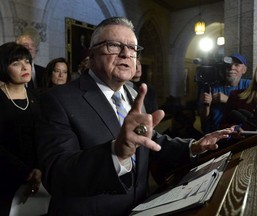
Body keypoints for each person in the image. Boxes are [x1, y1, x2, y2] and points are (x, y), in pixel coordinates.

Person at [35, 17, 234, 216]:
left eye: (132, 48)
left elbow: (149, 141)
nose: (125, 54)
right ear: (92, 53)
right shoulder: (57, 99)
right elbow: (56, 174)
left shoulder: (132, 93)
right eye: (114, 45)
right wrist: (116, 153)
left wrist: (193, 146)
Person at [0, 42, 42, 215]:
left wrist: (40, 169)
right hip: (7, 178)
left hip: (41, 175)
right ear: (3, 67)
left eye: (27, 60)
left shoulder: (39, 97)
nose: (25, 66)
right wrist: (26, 172)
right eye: (16, 63)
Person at [198, 53, 251, 134]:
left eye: (236, 65)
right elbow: (204, 119)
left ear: (244, 70)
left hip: (238, 134)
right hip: (215, 134)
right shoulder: (211, 87)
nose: (231, 67)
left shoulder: (249, 85)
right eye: (228, 65)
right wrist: (206, 106)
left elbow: (250, 111)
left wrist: (227, 99)